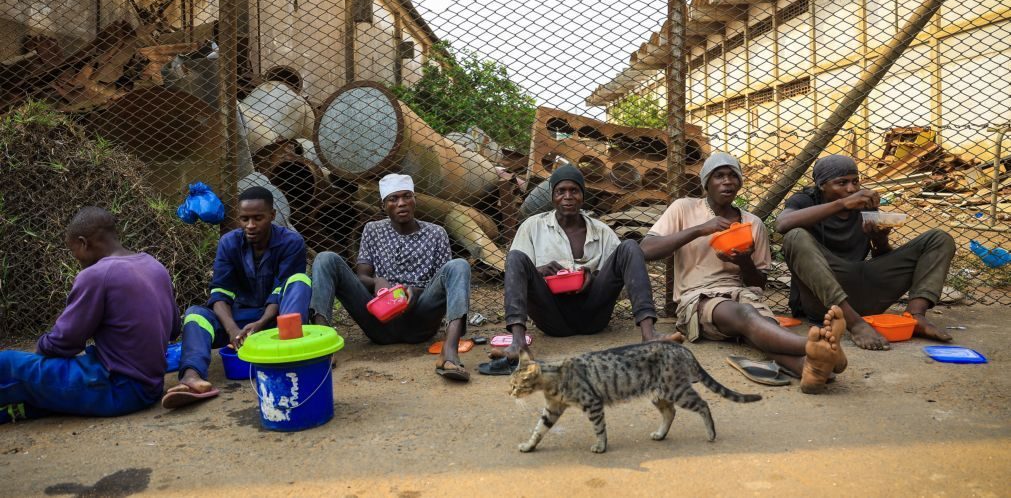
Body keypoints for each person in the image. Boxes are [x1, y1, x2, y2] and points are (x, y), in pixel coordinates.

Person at [640, 153, 846, 394]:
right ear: (706, 183)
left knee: (763, 326)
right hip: (697, 298)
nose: (727, 181)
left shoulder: (752, 223)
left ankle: (809, 368)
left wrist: (744, 261)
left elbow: (759, 282)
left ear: (739, 183)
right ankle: (812, 346)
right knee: (746, 315)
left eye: (732, 176)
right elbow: (646, 249)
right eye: (719, 176)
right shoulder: (684, 209)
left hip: (742, 292)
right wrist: (699, 230)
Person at [0, 207, 179, 423]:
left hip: (119, 389)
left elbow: (63, 343)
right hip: (151, 385)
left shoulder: (96, 275)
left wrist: (41, 348)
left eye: (73, 250)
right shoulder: (154, 265)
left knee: (7, 362)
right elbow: (174, 329)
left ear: (84, 243)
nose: (75, 257)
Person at [485, 164, 665, 375]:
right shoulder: (532, 226)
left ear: (582, 195)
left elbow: (624, 286)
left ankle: (648, 334)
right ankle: (518, 344)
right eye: (561, 191)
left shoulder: (602, 231)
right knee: (515, 257)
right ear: (552, 197)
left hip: (594, 314)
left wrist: (594, 278)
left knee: (631, 247)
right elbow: (516, 277)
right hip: (551, 316)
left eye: (574, 191)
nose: (568, 196)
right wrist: (540, 271)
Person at [776, 154, 955, 350]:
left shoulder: (863, 206)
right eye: (841, 183)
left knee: (939, 238)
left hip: (864, 287)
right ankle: (854, 323)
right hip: (826, 303)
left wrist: (879, 240)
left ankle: (915, 316)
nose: (851, 189)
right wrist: (841, 204)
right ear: (821, 185)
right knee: (795, 236)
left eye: (855, 181)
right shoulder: (805, 201)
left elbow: (881, 257)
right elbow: (783, 224)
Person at [310, 174, 473, 382]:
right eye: (393, 199)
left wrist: (414, 292)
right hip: (379, 321)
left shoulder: (436, 233)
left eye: (407, 196)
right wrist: (378, 282)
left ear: (415, 200)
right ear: (383, 205)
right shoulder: (373, 230)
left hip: (420, 320)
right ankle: (322, 347)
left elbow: (444, 283)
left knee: (458, 265)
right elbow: (362, 276)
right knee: (326, 259)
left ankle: (449, 354)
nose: (401, 203)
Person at [162, 186, 311, 408]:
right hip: (241, 322)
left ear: (272, 216)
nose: (250, 225)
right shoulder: (229, 243)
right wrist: (232, 330)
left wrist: (261, 323)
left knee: (299, 281)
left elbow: (281, 290)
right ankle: (192, 377)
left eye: (258, 218)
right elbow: (220, 291)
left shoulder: (291, 242)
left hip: (277, 321)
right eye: (244, 219)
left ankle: (292, 354)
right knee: (195, 315)